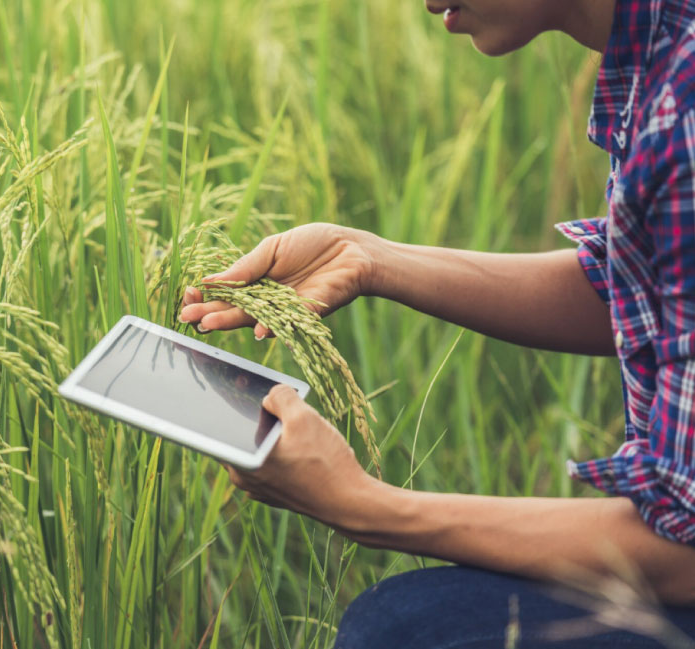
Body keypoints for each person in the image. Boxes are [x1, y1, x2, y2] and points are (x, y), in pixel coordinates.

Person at [180, 0, 695, 646]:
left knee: (397, 632)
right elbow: (645, 293)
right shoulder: (659, 47)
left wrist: (363, 506)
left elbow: (684, 550)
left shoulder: (684, 106)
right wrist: (367, 257)